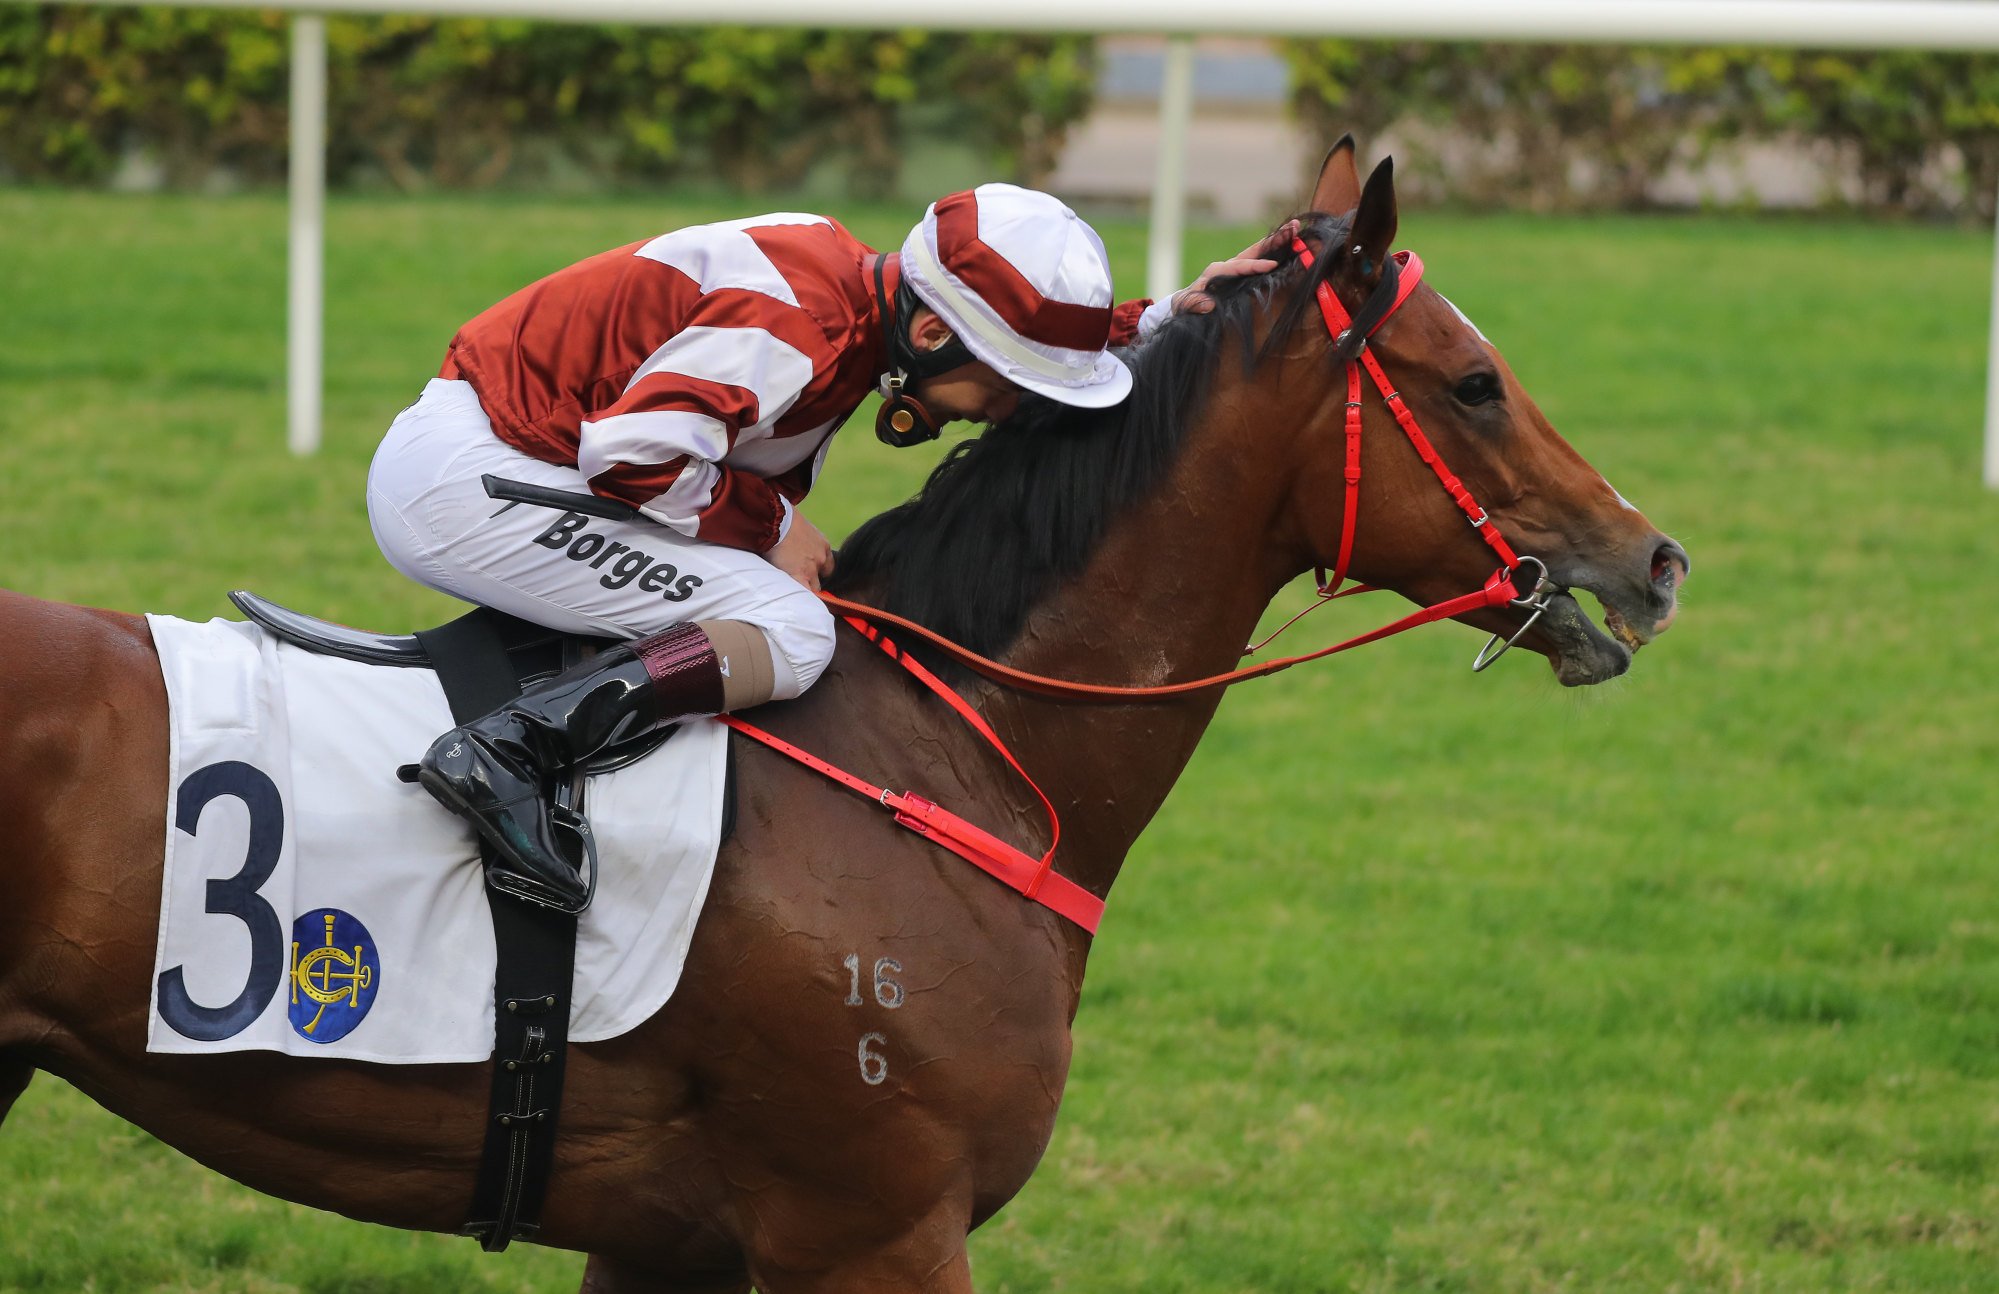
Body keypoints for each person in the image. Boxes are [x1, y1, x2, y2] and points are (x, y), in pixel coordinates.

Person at [367, 183, 1286, 913]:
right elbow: (633, 452)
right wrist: (770, 526)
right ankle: (505, 755)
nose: (1010, 409)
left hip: (517, 458)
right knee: (792, 630)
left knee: (773, 614)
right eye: (1005, 384)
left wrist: (1159, 321)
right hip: (471, 477)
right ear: (929, 336)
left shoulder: (857, 288)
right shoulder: (798, 324)